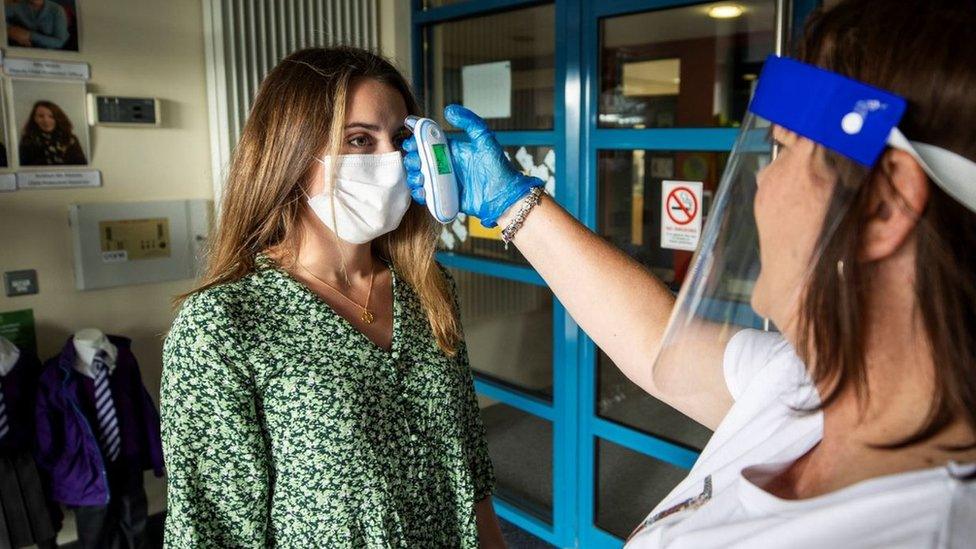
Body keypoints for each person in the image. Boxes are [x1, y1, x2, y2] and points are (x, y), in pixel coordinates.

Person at [404, 0, 976, 546]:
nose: (760, 183)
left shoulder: (917, 532)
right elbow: (658, 345)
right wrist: (511, 206)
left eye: (783, 150)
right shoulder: (812, 384)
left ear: (883, 209)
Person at [161, 47, 504, 548]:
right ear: (292, 153)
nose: (389, 161)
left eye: (400, 140)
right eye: (360, 140)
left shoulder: (428, 288)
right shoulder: (223, 324)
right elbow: (213, 531)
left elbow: (470, 470)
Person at [19, 100, 87, 166]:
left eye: (51, 116)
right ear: (35, 119)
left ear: (58, 118)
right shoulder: (27, 141)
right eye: (40, 116)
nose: (46, 120)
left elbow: (82, 166)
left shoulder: (70, 139)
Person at [5, 0, 70, 49]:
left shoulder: (57, 10)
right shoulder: (18, 5)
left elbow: (59, 42)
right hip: (27, 49)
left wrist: (29, 35)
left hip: (56, 51)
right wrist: (9, 30)